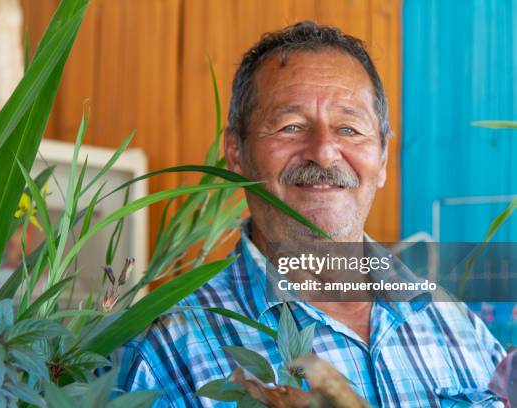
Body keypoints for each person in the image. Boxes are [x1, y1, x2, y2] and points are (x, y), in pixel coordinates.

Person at [117, 21, 506, 407]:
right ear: (236, 151)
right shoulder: (167, 350)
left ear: (383, 156)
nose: (323, 151)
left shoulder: (456, 324)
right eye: (291, 126)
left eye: (350, 129)